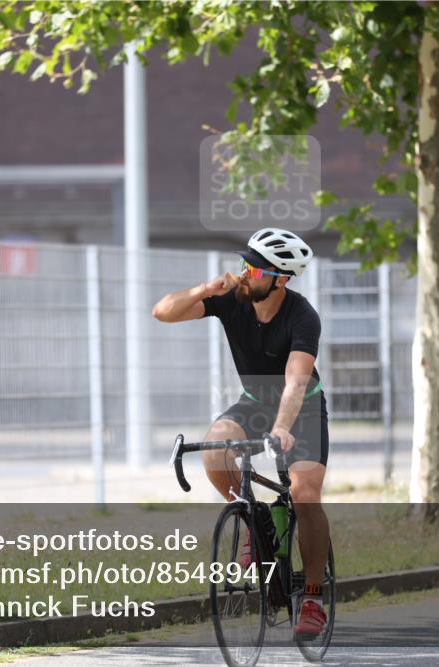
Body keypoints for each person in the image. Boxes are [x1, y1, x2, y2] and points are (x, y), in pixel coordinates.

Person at [152, 228, 330, 637]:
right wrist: (203, 289)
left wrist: (282, 428)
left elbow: (296, 381)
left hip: (300, 406)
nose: (244, 273)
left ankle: (314, 598)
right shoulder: (233, 298)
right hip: (254, 400)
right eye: (244, 264)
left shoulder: (302, 316)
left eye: (255, 269)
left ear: (280, 279)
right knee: (216, 449)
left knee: (304, 494)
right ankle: (256, 520)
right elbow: (162, 311)